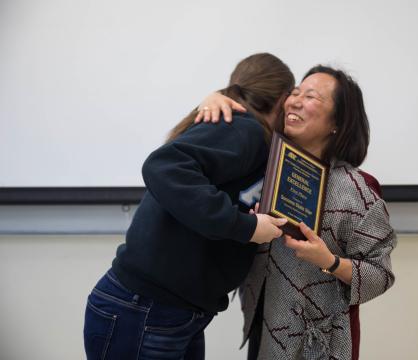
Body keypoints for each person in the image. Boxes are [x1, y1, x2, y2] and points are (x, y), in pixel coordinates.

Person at [82, 53, 296, 360]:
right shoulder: (244, 129)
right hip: (147, 309)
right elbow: (163, 166)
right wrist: (246, 227)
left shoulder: (252, 136)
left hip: (168, 311)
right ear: (282, 99)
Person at [197, 65, 397, 360]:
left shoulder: (358, 190)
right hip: (262, 331)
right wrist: (215, 97)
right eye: (294, 93)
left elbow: (380, 275)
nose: (294, 101)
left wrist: (328, 261)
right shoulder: (263, 166)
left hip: (319, 345)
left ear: (338, 122)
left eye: (312, 96)